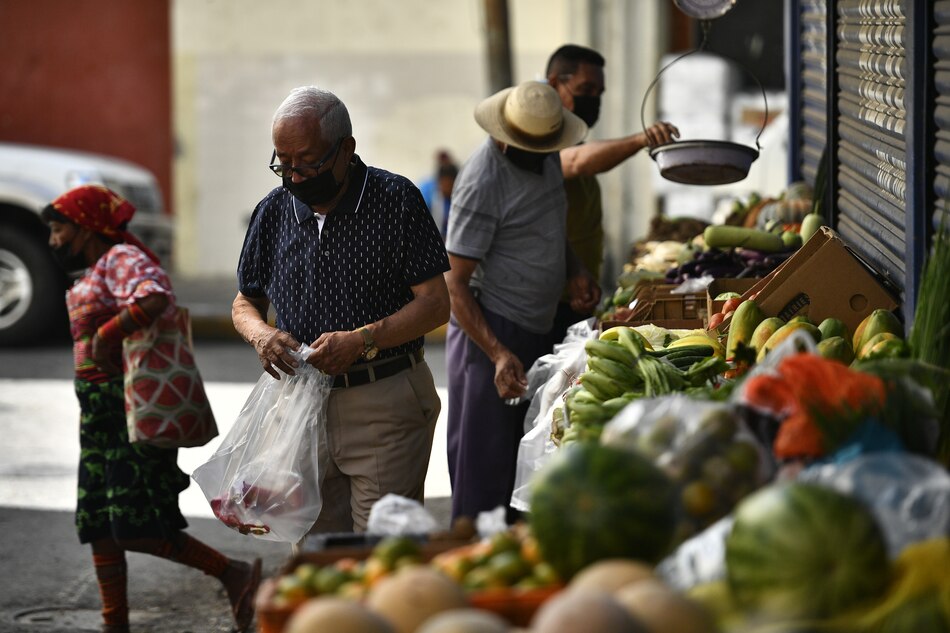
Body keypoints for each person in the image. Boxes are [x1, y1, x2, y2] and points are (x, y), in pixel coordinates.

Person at [232, 86, 451, 537]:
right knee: (314, 550)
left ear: (345, 149)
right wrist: (261, 335)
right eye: (283, 162)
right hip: (298, 406)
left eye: (307, 162)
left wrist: (362, 339)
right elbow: (245, 301)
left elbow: (435, 303)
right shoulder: (273, 211)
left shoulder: (396, 199)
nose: (294, 176)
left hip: (383, 399)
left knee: (382, 548)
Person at [42, 185, 260, 633]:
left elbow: (152, 296)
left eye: (59, 229)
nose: (53, 240)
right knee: (99, 523)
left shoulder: (121, 258)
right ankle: (113, 623)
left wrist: (105, 337)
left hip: (131, 413)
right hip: (99, 419)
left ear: (86, 228)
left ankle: (233, 573)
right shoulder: (96, 269)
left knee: (135, 525)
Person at [444, 81, 600, 523]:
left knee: (530, 466)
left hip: (539, 327)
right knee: (486, 481)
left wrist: (575, 271)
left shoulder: (544, 152)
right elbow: (454, 285)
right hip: (489, 334)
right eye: (532, 147)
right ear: (504, 138)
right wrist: (497, 353)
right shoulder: (482, 181)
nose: (543, 153)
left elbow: (548, 223)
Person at [545, 44, 680, 343]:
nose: (593, 99)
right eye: (585, 88)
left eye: (599, 92)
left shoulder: (574, 138)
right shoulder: (541, 137)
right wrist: (640, 140)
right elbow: (576, 161)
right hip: (549, 306)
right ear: (555, 83)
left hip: (576, 296)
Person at [419, 149, 459, 237]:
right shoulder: (427, 192)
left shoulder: (458, 197)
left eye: (450, 186)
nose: (447, 189)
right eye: (445, 185)